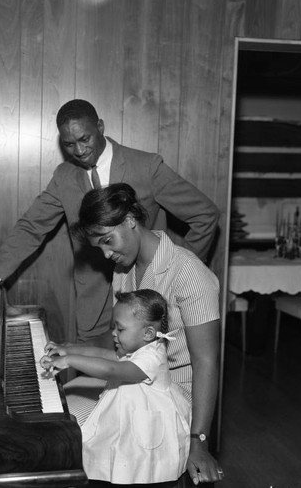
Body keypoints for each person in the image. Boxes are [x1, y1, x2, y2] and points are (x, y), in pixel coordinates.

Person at [0, 99, 219, 345]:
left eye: (84, 139)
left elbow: (205, 214)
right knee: (93, 378)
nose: (78, 150)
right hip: (93, 308)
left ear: (100, 126)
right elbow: (31, 228)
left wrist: (176, 271)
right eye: (69, 144)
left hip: (147, 303)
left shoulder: (146, 166)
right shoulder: (64, 177)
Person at [70, 182, 223, 485]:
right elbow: (122, 342)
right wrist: (68, 349)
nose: (105, 253)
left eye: (107, 240)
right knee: (66, 406)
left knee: (75, 431)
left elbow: (207, 362)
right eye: (98, 246)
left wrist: (198, 440)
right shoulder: (124, 272)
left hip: (174, 397)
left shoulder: (188, 273)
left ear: (130, 221)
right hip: (138, 381)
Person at [40, 289, 192, 485]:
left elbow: (112, 369)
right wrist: (68, 349)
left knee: (143, 470)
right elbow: (104, 355)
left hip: (146, 426)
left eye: (120, 329)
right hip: (129, 416)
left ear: (148, 333)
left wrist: (69, 360)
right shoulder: (139, 346)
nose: (113, 333)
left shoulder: (152, 357)